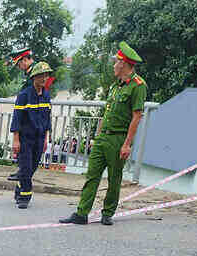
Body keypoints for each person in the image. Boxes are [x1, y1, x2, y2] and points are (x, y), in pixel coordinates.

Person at [61, 41, 147, 226]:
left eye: (116, 62)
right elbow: (106, 113)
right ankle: (81, 213)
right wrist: (97, 137)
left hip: (118, 138)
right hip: (103, 137)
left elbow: (137, 116)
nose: (114, 65)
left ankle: (107, 213)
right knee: (92, 175)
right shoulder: (115, 86)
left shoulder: (138, 86)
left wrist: (127, 144)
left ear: (123, 64)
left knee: (114, 178)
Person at [11, 61, 54, 208]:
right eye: (40, 76)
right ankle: (25, 196)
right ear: (34, 77)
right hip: (25, 138)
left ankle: (19, 186)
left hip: (40, 138)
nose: (43, 79)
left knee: (33, 167)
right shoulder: (24, 95)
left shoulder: (46, 96)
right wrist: (16, 140)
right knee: (26, 167)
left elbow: (47, 119)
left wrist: (46, 139)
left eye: (46, 76)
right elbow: (17, 118)